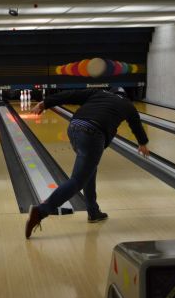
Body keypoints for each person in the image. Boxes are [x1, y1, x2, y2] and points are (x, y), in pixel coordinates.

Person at [25, 87, 150, 239]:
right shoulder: (128, 105)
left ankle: (93, 212)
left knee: (90, 169)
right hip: (93, 133)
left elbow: (71, 93)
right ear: (125, 96)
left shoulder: (98, 93)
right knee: (78, 180)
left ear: (111, 92)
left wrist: (45, 103)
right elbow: (136, 125)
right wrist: (143, 143)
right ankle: (41, 211)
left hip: (74, 127)